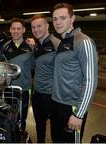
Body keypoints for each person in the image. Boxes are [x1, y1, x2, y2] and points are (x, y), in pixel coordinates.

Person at [51, 3, 98, 143]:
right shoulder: (63, 42)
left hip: (72, 107)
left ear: (72, 19)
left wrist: (79, 114)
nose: (58, 22)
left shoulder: (83, 41)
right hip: (56, 104)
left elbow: (90, 80)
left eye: (63, 18)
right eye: (54, 19)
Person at [30, 14, 60, 143]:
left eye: (39, 26)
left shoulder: (57, 44)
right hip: (37, 95)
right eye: (33, 27)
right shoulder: (36, 46)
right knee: (40, 127)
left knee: (56, 131)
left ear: (47, 26)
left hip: (52, 96)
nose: (36, 30)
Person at [1, 18, 34, 131]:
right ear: (10, 29)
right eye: (13, 28)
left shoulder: (31, 47)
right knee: (7, 118)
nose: (16, 31)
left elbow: (34, 67)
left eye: (19, 29)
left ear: (24, 30)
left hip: (23, 90)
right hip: (7, 89)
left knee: (21, 119)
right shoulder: (4, 47)